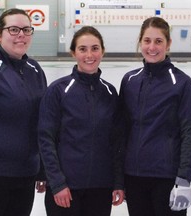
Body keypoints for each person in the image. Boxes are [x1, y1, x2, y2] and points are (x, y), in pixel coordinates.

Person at [38, 25, 125, 216]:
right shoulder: (58, 91)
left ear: (102, 51)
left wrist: (118, 182)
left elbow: (117, 142)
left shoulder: (110, 93)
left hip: (100, 189)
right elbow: (46, 139)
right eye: (82, 49)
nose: (89, 55)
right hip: (66, 190)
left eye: (95, 48)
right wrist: (57, 182)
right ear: (73, 53)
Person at [119, 17, 191, 216]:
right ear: (140, 42)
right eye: (147, 41)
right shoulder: (130, 81)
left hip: (167, 178)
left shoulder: (182, 83)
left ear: (168, 44)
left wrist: (183, 179)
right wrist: (118, 179)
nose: (152, 47)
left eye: (158, 41)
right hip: (134, 177)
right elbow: (121, 131)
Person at [0, 8, 47, 216]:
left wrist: (42, 168)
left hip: (26, 172)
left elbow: (43, 122)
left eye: (26, 30)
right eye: (14, 29)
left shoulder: (34, 69)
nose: (21, 35)